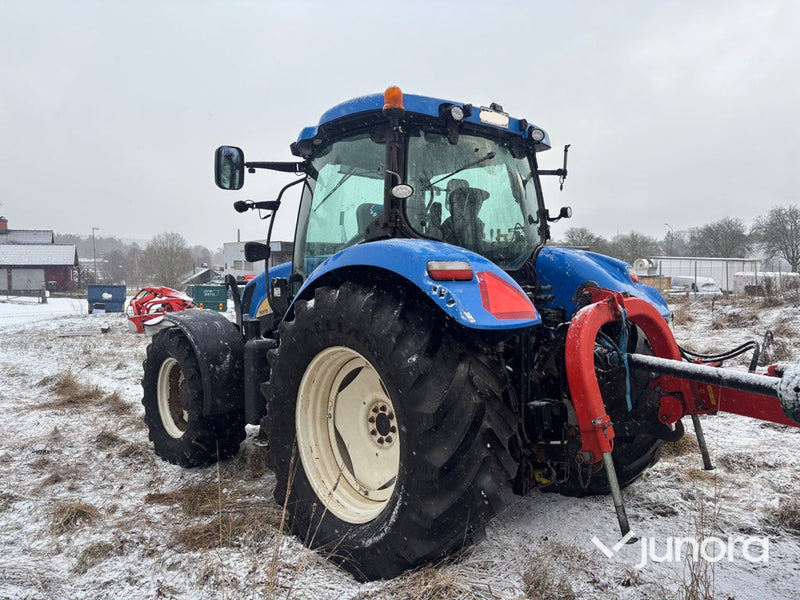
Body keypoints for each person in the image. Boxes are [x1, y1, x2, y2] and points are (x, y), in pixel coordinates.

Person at [440, 179, 490, 250]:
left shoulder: (478, 223)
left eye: (477, 202)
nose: (475, 206)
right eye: (472, 203)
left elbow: (479, 247)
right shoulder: (449, 225)